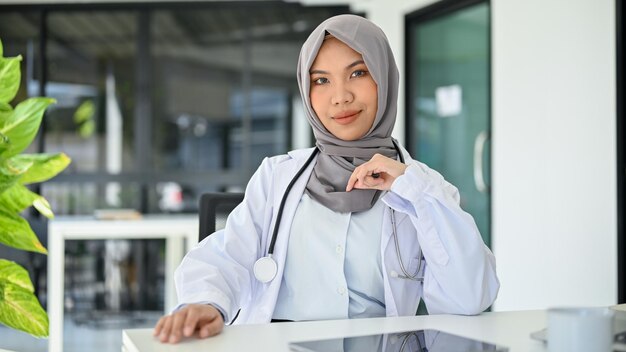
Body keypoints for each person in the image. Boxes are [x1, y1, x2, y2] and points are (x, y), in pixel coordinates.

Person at [153, 14, 499, 344]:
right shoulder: (277, 176)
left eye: (358, 73)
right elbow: (229, 255)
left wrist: (413, 188)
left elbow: (470, 298)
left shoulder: (421, 188)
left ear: (385, 78)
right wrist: (205, 303)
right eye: (321, 80)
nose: (340, 97)